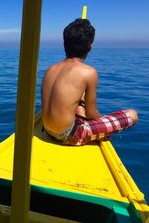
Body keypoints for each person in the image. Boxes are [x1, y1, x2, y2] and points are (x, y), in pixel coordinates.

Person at [41, 18, 138, 146]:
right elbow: (92, 114)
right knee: (133, 115)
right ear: (89, 46)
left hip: (47, 130)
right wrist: (103, 125)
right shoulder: (89, 72)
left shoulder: (50, 69)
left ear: (65, 44)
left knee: (80, 102)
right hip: (68, 135)